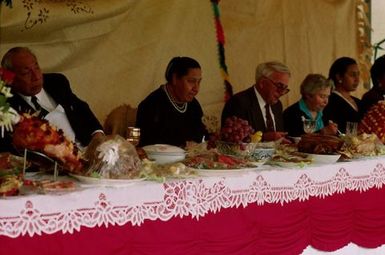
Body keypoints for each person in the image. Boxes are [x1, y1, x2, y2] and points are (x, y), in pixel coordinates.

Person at [0, 47, 104, 151]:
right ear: (9, 79)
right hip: (52, 162)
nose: (36, 76)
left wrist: (97, 134)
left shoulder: (56, 82)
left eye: (36, 67)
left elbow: (80, 107)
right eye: (26, 73)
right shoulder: (7, 106)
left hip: (86, 147)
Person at [136, 56, 208, 147]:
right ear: (175, 78)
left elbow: (200, 137)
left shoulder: (194, 106)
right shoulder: (151, 105)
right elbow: (146, 145)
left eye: (199, 82)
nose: (196, 88)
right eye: (191, 81)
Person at [221, 61, 290, 142]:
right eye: (279, 86)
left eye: (285, 88)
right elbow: (231, 141)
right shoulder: (238, 103)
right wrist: (263, 138)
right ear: (262, 83)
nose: (282, 92)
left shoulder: (277, 105)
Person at [323, 57, 363, 133]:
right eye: (352, 75)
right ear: (339, 77)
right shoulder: (331, 101)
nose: (357, 79)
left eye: (358, 74)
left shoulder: (358, 102)